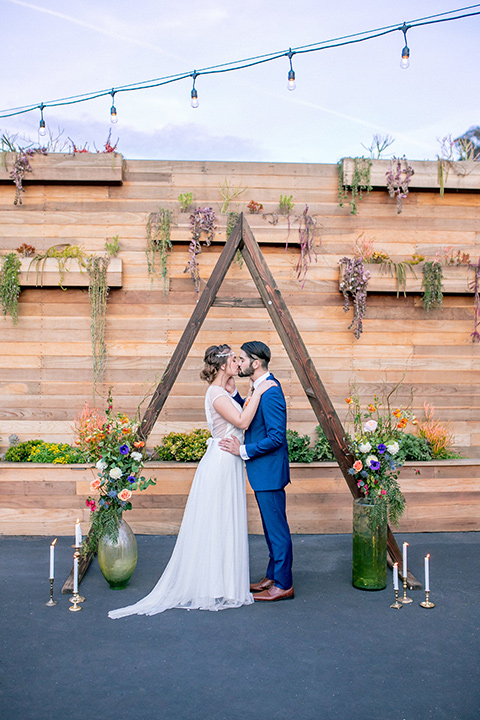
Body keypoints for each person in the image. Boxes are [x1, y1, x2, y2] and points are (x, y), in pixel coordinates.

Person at [108, 344, 274, 619]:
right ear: (222, 365)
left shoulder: (227, 390)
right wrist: (259, 389)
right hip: (221, 464)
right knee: (217, 522)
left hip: (230, 462)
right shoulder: (215, 394)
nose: (238, 362)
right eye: (234, 359)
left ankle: (225, 583)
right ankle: (211, 584)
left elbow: (241, 408)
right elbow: (244, 421)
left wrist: (240, 391)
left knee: (225, 522)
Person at [219, 341, 294, 602]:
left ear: (256, 363)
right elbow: (252, 414)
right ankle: (272, 576)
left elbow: (276, 437)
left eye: (242, 359)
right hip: (263, 471)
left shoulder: (270, 391)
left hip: (270, 472)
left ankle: (284, 584)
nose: (238, 363)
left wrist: (242, 450)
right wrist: (235, 395)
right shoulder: (259, 386)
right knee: (269, 529)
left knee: (277, 530)